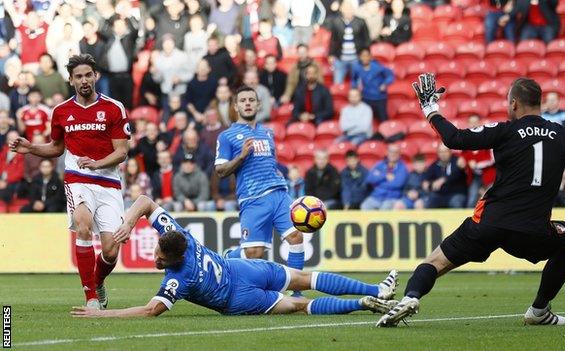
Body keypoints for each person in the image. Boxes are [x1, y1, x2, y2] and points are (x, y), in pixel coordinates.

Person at [377, 75, 565, 327]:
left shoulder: (505, 130)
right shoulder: (564, 134)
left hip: (489, 223)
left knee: (434, 262)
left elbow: (454, 139)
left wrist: (430, 108)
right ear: (538, 103)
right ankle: (539, 311)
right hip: (533, 230)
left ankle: (411, 296)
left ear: (514, 104)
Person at [71, 195, 398, 318]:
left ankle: (365, 301)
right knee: (305, 278)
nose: (154, 257)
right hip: (241, 268)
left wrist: (102, 316)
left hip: (238, 297)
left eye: (157, 257)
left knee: (300, 304)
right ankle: (375, 292)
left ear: (171, 260)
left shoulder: (177, 279)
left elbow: (149, 311)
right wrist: (129, 223)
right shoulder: (181, 236)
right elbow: (144, 201)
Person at [10, 54, 131, 310]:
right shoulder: (61, 111)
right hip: (77, 177)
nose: (84, 80)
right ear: (71, 80)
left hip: (108, 182)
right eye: (79, 76)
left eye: (89, 75)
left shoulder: (113, 108)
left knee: (110, 251)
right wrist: (30, 147)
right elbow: (56, 148)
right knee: (83, 225)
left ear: (96, 76)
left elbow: (122, 152)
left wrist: (98, 164)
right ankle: (90, 298)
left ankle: (97, 282)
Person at [215, 86, 306, 295]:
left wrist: (277, 173)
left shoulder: (267, 132)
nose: (247, 103)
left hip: (279, 194)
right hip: (253, 199)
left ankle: (297, 291)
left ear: (258, 104)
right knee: (254, 254)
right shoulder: (227, 136)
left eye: (251, 100)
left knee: (296, 238)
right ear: (236, 106)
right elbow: (220, 171)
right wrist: (241, 156)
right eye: (243, 100)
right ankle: (231, 255)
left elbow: (267, 161)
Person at [326, 1, 371, 84]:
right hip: (340, 59)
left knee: (358, 84)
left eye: (350, 8)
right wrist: (331, 54)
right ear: (341, 9)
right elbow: (333, 40)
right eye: (346, 8)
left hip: (356, 58)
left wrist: (365, 54)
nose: (348, 11)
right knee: (337, 84)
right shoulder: (336, 22)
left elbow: (366, 40)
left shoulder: (361, 22)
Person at [351, 48, 394, 122]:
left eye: (366, 56)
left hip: (379, 98)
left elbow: (390, 76)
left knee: (383, 119)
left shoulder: (378, 67)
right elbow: (354, 79)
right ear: (359, 57)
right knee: (365, 120)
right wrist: (355, 88)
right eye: (362, 56)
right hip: (366, 98)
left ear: (370, 57)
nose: (365, 58)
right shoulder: (357, 68)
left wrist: (385, 84)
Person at [360, 144, 408, 210]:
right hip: (376, 196)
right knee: (365, 206)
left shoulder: (402, 167)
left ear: (399, 155)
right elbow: (369, 179)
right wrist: (385, 176)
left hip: (392, 198)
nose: (393, 154)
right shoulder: (380, 164)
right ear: (387, 153)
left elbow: (397, 184)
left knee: (385, 207)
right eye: (391, 152)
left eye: (395, 152)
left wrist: (378, 183)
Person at [423, 144, 468, 209]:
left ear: (450, 152)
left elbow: (457, 174)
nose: (443, 154)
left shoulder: (457, 161)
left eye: (445, 151)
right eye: (441, 152)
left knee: (456, 202)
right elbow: (427, 177)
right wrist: (427, 183)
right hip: (440, 195)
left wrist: (443, 180)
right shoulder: (435, 164)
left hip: (456, 193)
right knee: (429, 201)